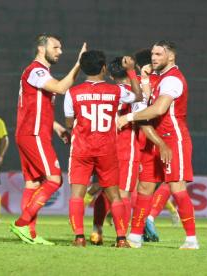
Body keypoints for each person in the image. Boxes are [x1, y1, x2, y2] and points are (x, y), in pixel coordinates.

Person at [117, 40, 198, 249]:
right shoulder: (157, 78)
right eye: (153, 53)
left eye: (159, 54)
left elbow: (159, 109)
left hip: (173, 139)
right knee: (145, 187)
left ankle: (191, 239)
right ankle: (135, 236)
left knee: (176, 187)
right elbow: (145, 100)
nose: (153, 57)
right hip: (153, 140)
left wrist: (128, 118)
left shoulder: (173, 80)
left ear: (171, 57)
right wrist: (144, 78)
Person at [9, 33, 86, 245]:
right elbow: (62, 88)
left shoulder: (39, 73)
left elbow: (36, 109)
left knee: (33, 183)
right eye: (56, 47)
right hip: (33, 135)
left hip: (31, 133)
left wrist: (57, 127)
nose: (60, 52)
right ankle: (22, 223)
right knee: (54, 179)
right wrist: (79, 64)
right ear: (42, 49)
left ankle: (29, 234)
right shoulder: (36, 70)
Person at [64, 50, 142, 247]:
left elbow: (69, 123)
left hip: (82, 149)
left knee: (77, 195)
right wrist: (131, 71)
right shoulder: (116, 91)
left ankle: (79, 238)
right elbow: (138, 96)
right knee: (114, 195)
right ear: (104, 68)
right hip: (107, 149)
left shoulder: (72, 92)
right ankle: (121, 239)